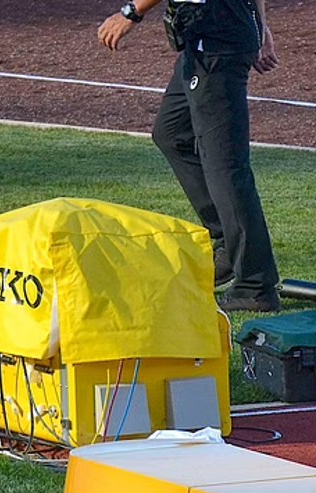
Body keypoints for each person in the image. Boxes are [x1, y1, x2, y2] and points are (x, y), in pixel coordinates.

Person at [98, 0, 282, 312]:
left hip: (216, 45)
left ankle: (255, 283)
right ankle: (227, 240)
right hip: (206, 42)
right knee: (172, 133)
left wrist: (131, 12)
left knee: (225, 166)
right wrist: (259, 25)